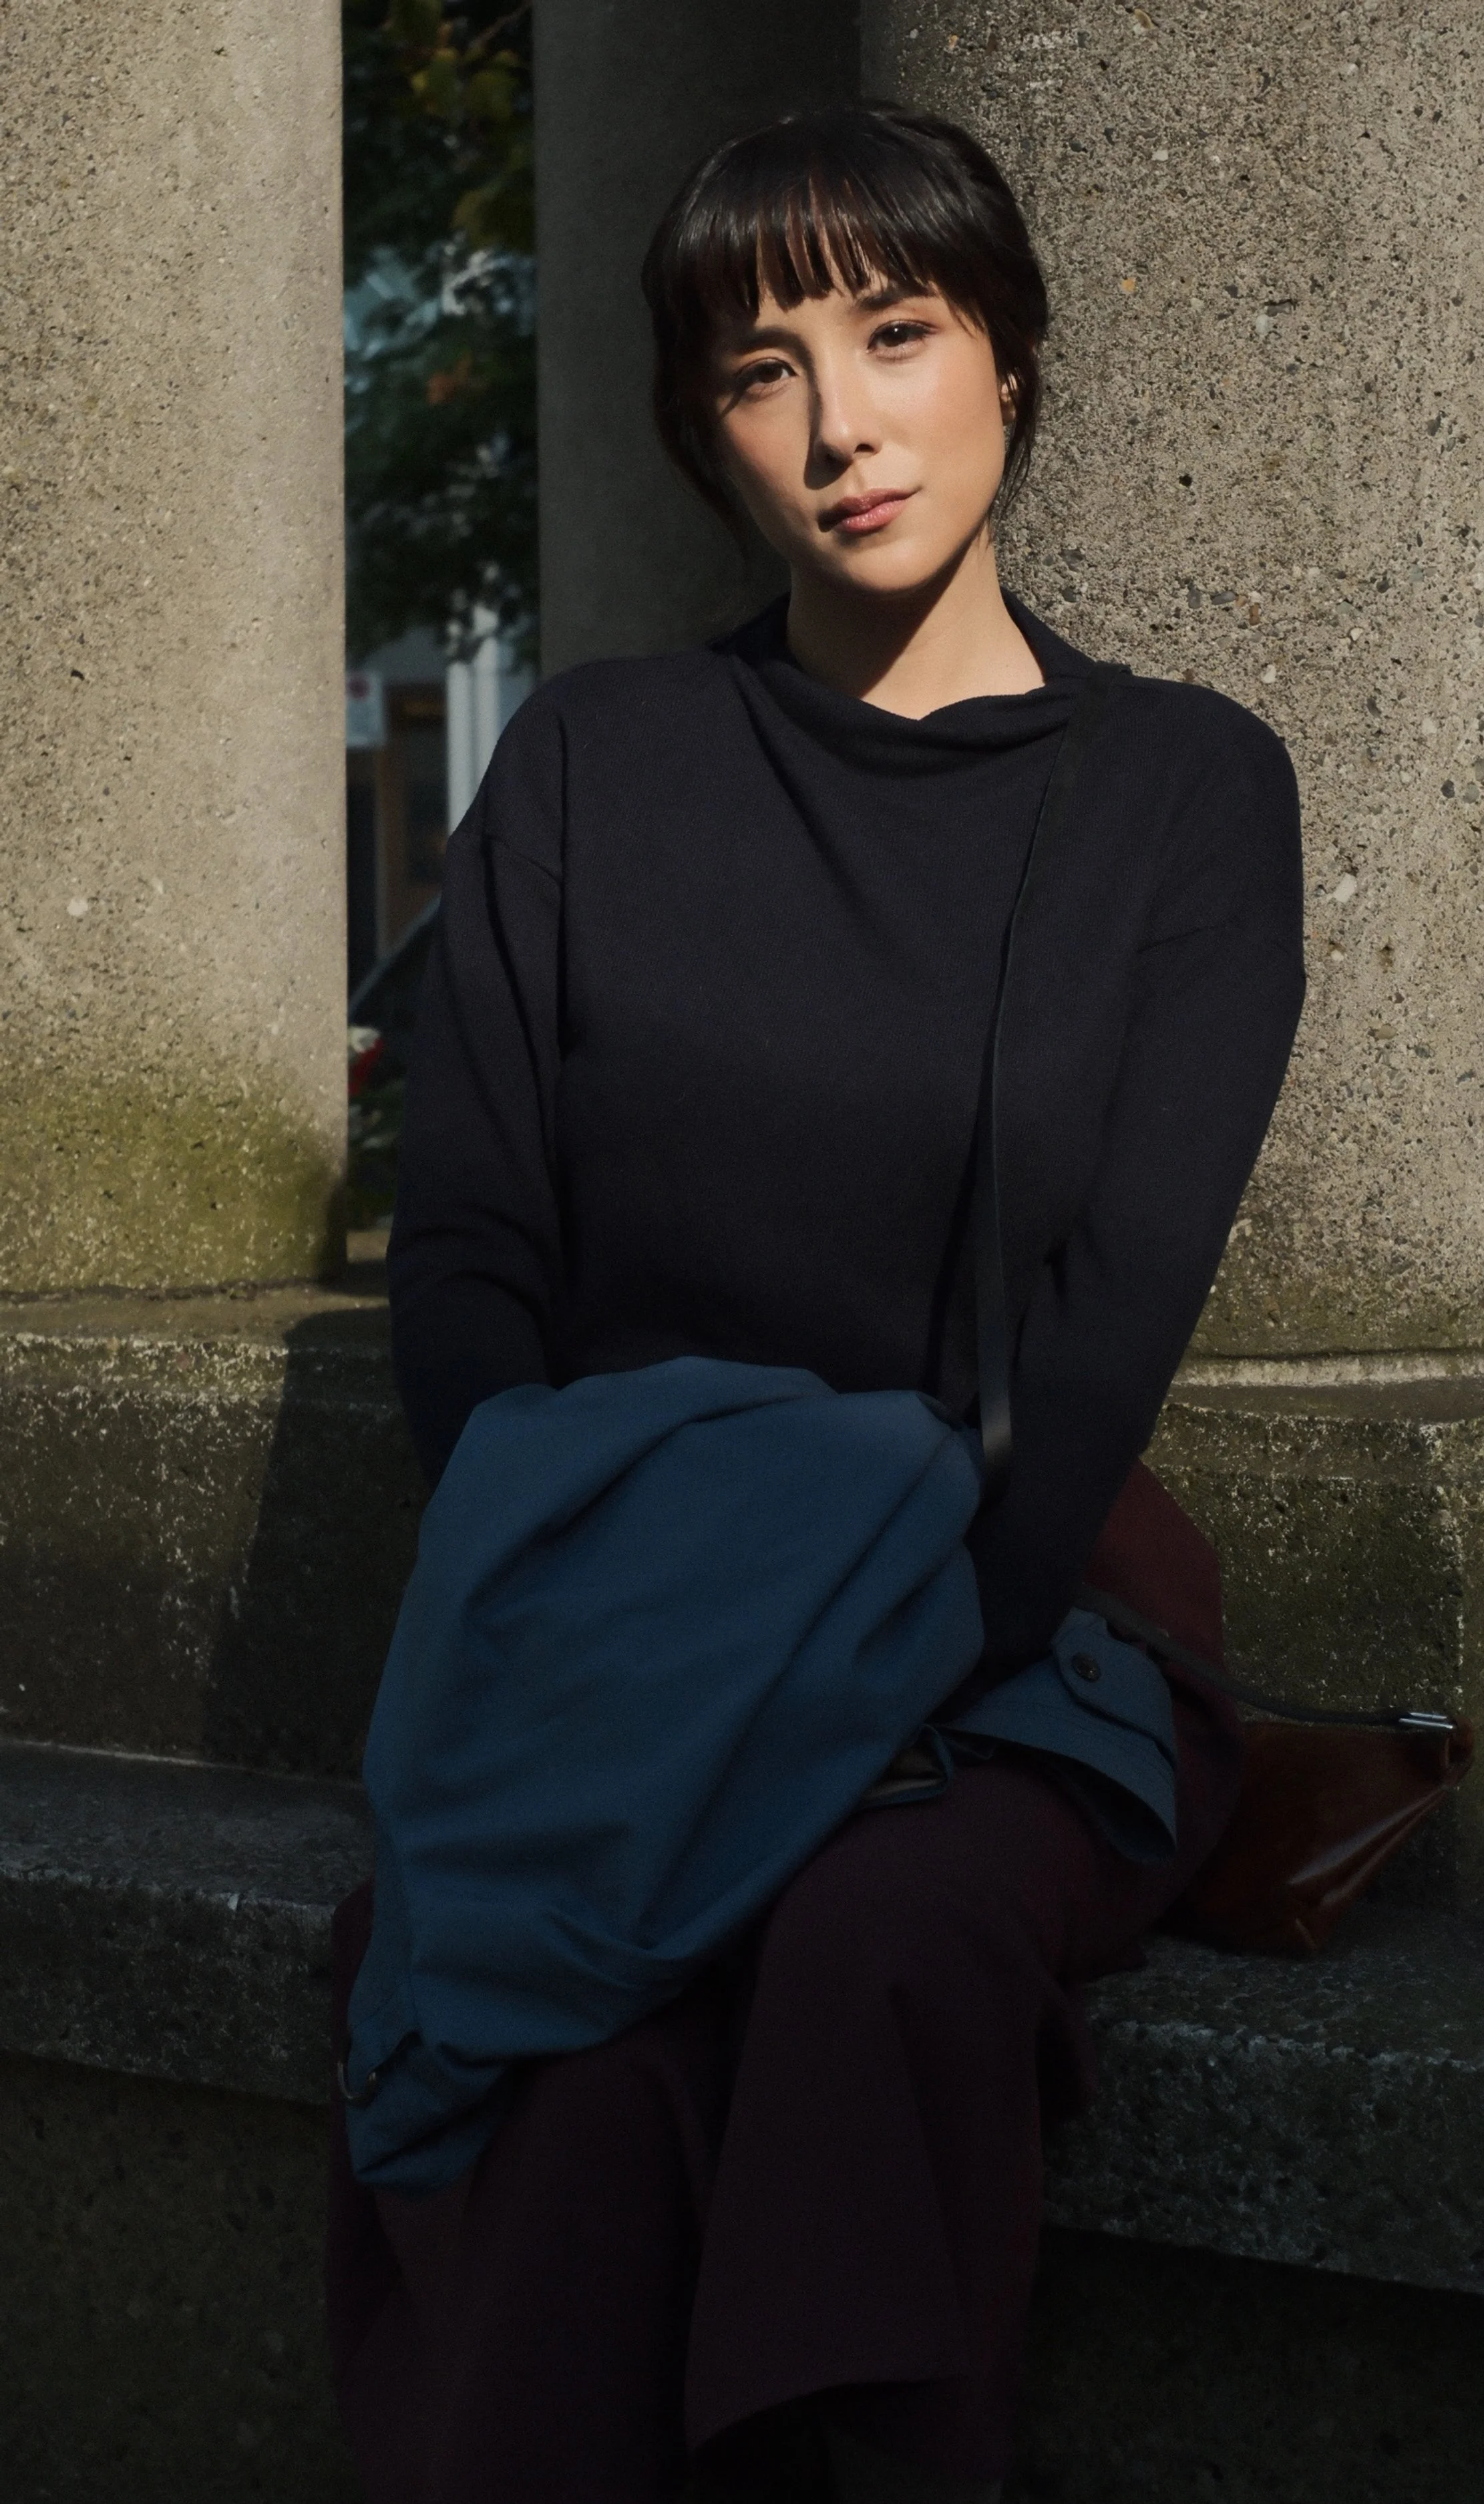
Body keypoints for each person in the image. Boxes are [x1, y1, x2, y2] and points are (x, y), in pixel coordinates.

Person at [326, 100, 1305, 2504]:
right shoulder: (595, 761)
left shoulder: (1184, 793)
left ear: (1010, 357)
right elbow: (469, 1268)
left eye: (895, 332)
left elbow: (1105, 1331)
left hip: (1003, 1626)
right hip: (629, 1610)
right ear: (703, 432)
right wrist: (609, 1643)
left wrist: (812, 1701)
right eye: (761, 370)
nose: (840, 421)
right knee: (580, 2054)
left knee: (875, 1943)